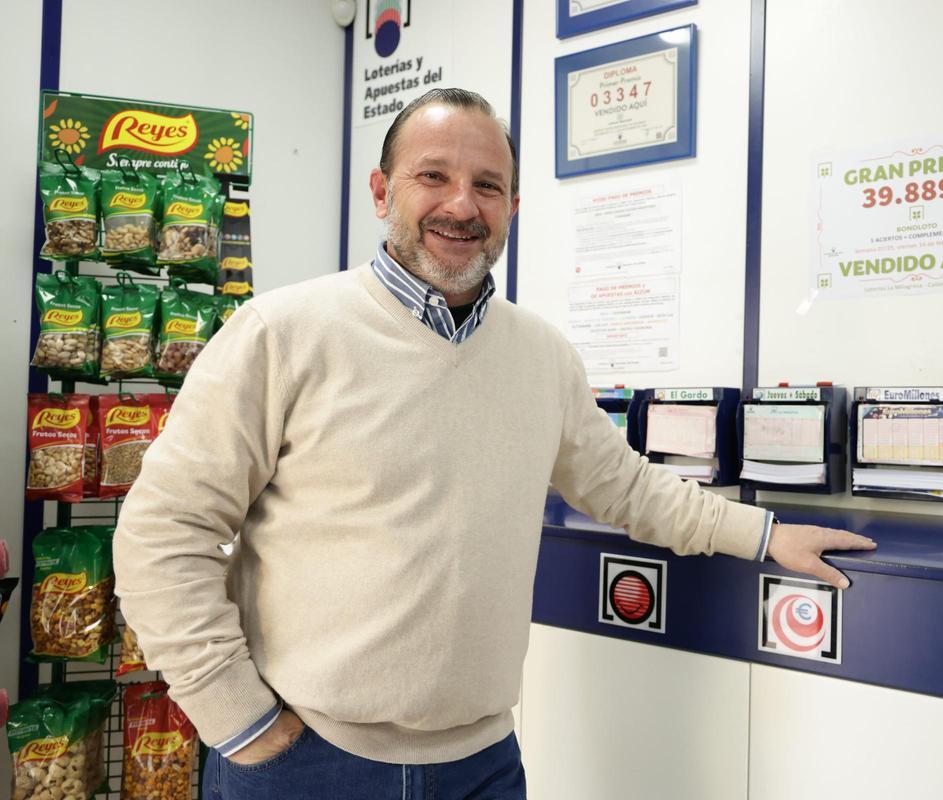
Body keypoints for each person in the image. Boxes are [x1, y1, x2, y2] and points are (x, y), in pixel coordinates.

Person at [113, 88, 875, 800]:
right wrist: (236, 719)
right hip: (305, 759)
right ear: (382, 193)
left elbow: (626, 487)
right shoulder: (283, 332)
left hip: (481, 764)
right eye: (433, 176)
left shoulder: (540, 355)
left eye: (486, 185)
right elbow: (163, 531)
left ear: (512, 205)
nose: (460, 205)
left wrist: (769, 533)